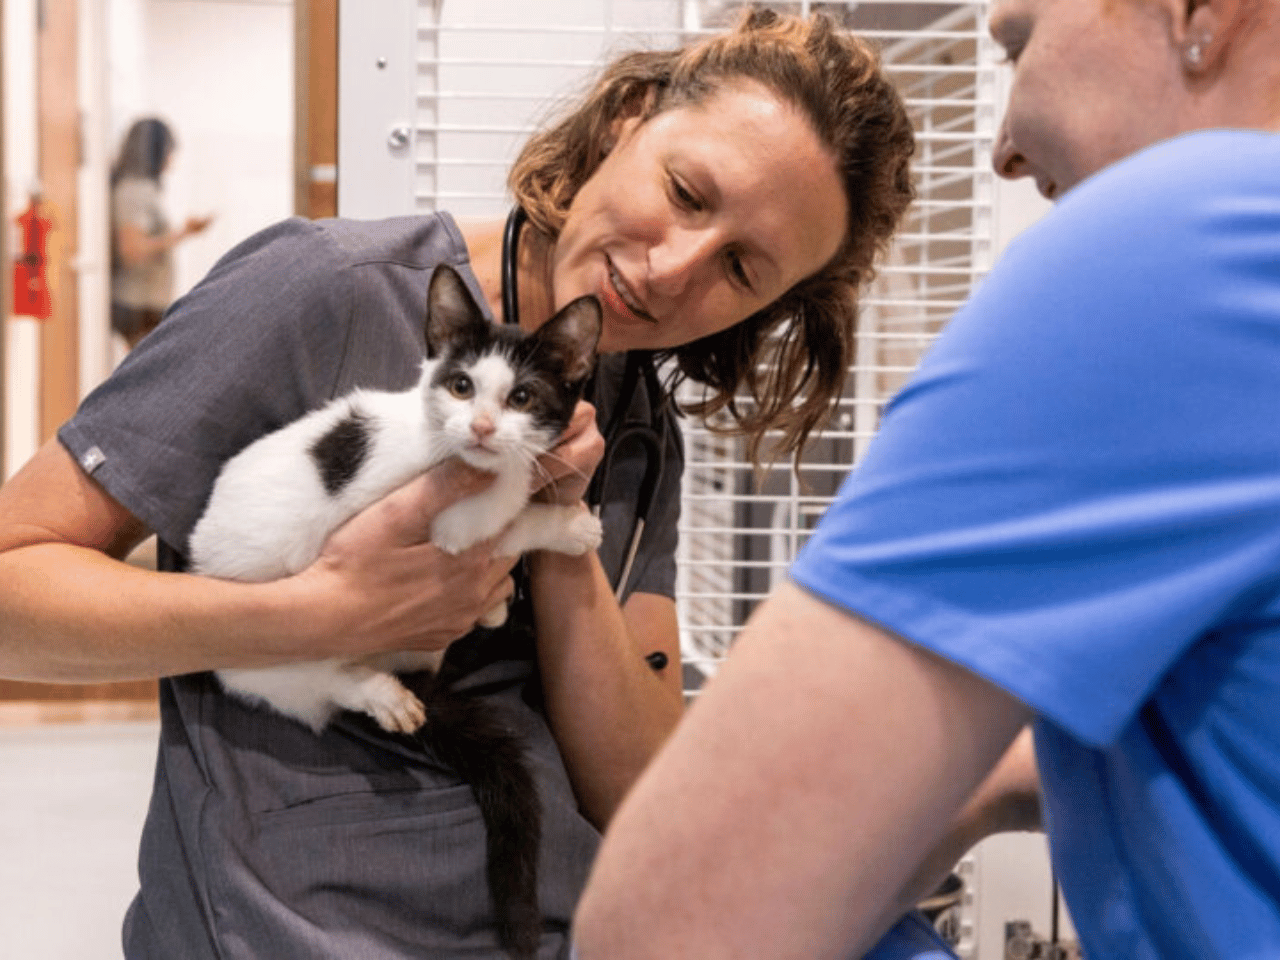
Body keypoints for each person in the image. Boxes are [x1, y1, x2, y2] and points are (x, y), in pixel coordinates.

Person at [0, 10, 919, 959]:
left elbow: (636, 787)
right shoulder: (325, 292)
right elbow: (10, 590)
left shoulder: (637, 424)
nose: (674, 267)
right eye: (686, 192)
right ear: (627, 120)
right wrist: (326, 612)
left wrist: (553, 518)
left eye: (740, 268)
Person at [573, 0, 1280, 957]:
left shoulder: (1185, 244)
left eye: (1020, 46)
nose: (1003, 155)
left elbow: (665, 932)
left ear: (1201, 15)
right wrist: (1014, 776)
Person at [110, 117, 213, 348]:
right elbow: (132, 249)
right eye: (169, 150)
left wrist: (185, 233)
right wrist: (180, 234)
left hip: (147, 302)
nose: (171, 158)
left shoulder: (143, 189)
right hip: (137, 305)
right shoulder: (134, 191)